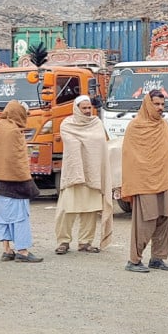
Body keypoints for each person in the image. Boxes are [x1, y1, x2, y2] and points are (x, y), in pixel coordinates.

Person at [121, 90, 168, 273]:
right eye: (156, 104)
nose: (160, 108)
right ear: (148, 104)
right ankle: (134, 260)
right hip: (145, 182)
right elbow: (131, 158)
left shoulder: (163, 125)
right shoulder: (135, 127)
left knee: (166, 219)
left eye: (163, 105)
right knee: (145, 221)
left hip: (167, 179)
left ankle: (158, 258)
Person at [0, 100, 43, 263]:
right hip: (14, 182)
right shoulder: (14, 131)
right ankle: (23, 251)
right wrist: (28, 182)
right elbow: (18, 161)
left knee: (2, 217)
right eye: (24, 114)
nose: (25, 117)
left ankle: (7, 250)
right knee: (20, 217)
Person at [54, 95, 114, 254]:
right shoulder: (67, 124)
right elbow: (72, 145)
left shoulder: (97, 123)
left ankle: (85, 242)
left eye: (89, 108)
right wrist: (88, 145)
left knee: (90, 210)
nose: (88, 111)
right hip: (74, 174)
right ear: (77, 108)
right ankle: (63, 242)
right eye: (84, 108)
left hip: (93, 173)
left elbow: (100, 146)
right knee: (66, 209)